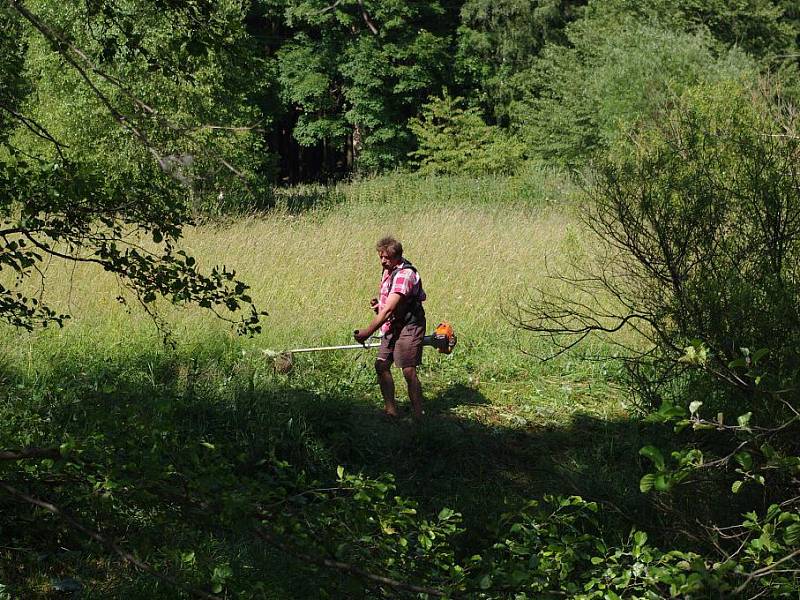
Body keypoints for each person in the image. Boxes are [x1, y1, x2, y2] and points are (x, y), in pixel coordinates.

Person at [354, 237, 426, 419]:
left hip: (410, 324)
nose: (383, 261)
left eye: (387, 257)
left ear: (397, 256)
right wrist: (379, 305)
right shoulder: (388, 270)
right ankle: (391, 410)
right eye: (381, 257)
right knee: (381, 365)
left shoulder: (405, 274)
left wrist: (367, 332)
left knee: (408, 370)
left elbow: (390, 309)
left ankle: (418, 414)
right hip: (393, 324)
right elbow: (388, 306)